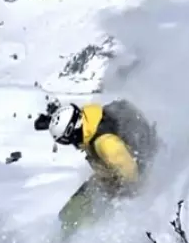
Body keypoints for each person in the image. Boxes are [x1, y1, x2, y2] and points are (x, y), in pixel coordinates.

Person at [34, 99, 160, 235]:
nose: (72, 144)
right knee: (71, 211)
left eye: (67, 140)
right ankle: (69, 230)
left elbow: (132, 177)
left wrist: (119, 197)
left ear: (72, 132)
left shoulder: (105, 144)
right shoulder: (93, 119)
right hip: (114, 172)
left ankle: (76, 236)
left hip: (129, 180)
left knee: (77, 213)